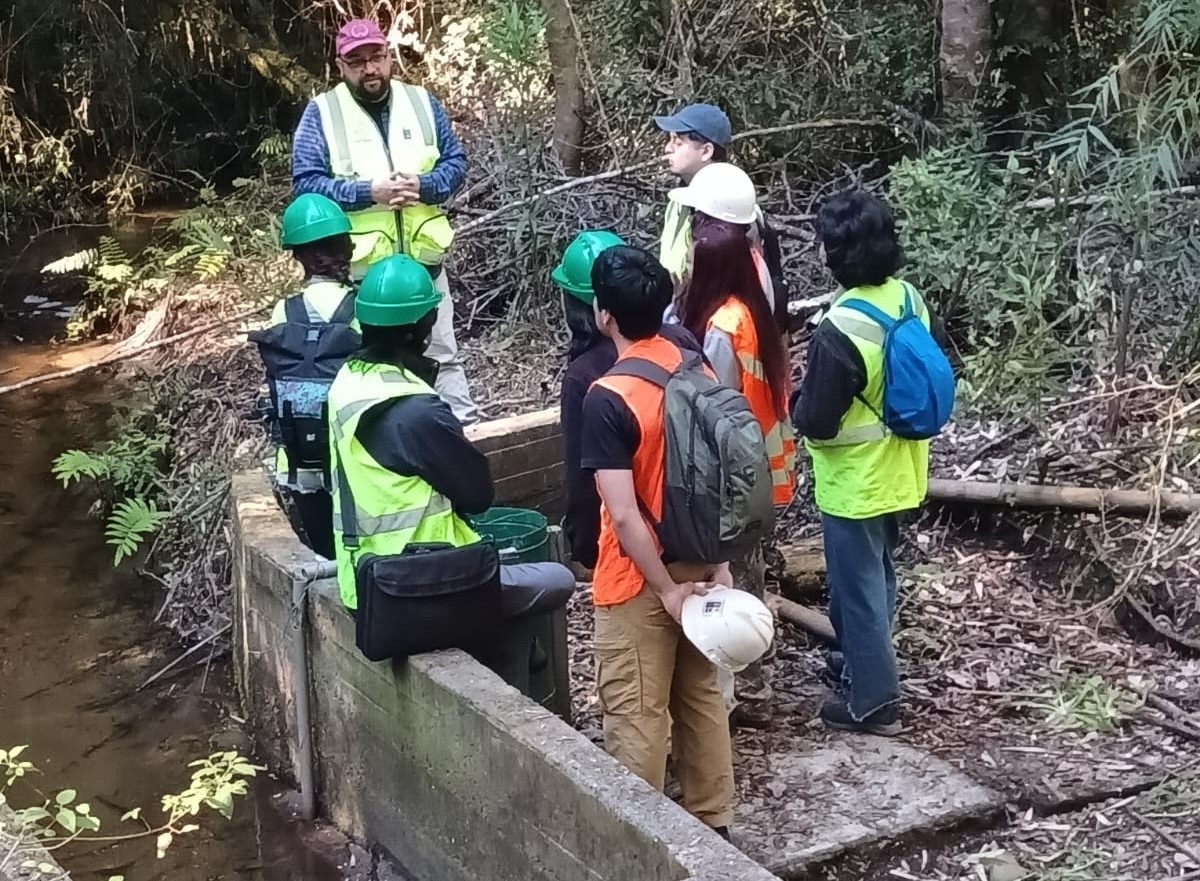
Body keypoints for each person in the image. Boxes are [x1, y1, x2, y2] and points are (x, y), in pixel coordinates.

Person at [580, 245, 735, 836]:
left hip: (639, 577)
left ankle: (640, 848)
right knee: (701, 700)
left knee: (638, 713)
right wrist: (717, 563)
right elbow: (725, 467)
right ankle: (713, 830)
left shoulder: (609, 396)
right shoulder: (696, 363)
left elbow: (622, 515)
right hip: (702, 551)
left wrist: (668, 591)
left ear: (604, 315)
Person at [326, 254, 573, 615]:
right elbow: (477, 496)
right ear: (422, 327)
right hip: (423, 584)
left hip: (361, 582)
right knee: (556, 579)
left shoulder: (348, 384)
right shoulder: (416, 410)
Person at [790, 191, 938, 737]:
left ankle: (873, 703)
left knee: (858, 591)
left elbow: (818, 420)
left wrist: (793, 402)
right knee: (879, 577)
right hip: (902, 467)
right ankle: (861, 660)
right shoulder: (908, 299)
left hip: (855, 481)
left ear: (834, 253)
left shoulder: (842, 327)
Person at [292, 18, 479, 425]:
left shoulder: (422, 103)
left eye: (376, 57)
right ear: (340, 66)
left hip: (425, 268)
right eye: (357, 61)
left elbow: (455, 164)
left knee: (443, 356)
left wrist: (425, 185)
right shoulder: (322, 114)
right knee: (369, 366)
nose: (369, 68)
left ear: (389, 57)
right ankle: (384, 449)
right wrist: (367, 192)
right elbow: (306, 184)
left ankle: (463, 436)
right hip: (364, 276)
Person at [675, 217, 797, 728]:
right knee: (750, 571)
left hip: (735, 476)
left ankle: (741, 685)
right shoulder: (752, 313)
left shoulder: (723, 329)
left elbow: (715, 405)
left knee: (734, 576)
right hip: (766, 467)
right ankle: (754, 675)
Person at [551, 231, 703, 579]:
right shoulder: (681, 341)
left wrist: (586, 548)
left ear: (598, 311)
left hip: (634, 553)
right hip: (697, 529)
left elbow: (584, 475)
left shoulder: (584, 377)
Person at [253, 193, 360, 560]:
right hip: (352, 454)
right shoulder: (360, 308)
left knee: (324, 553)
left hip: (299, 460)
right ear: (347, 249)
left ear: (298, 257)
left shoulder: (284, 311)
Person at [653, 105, 787, 329]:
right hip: (678, 322)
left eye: (678, 142)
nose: (668, 148)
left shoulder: (734, 209)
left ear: (706, 151)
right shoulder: (678, 201)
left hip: (719, 330)